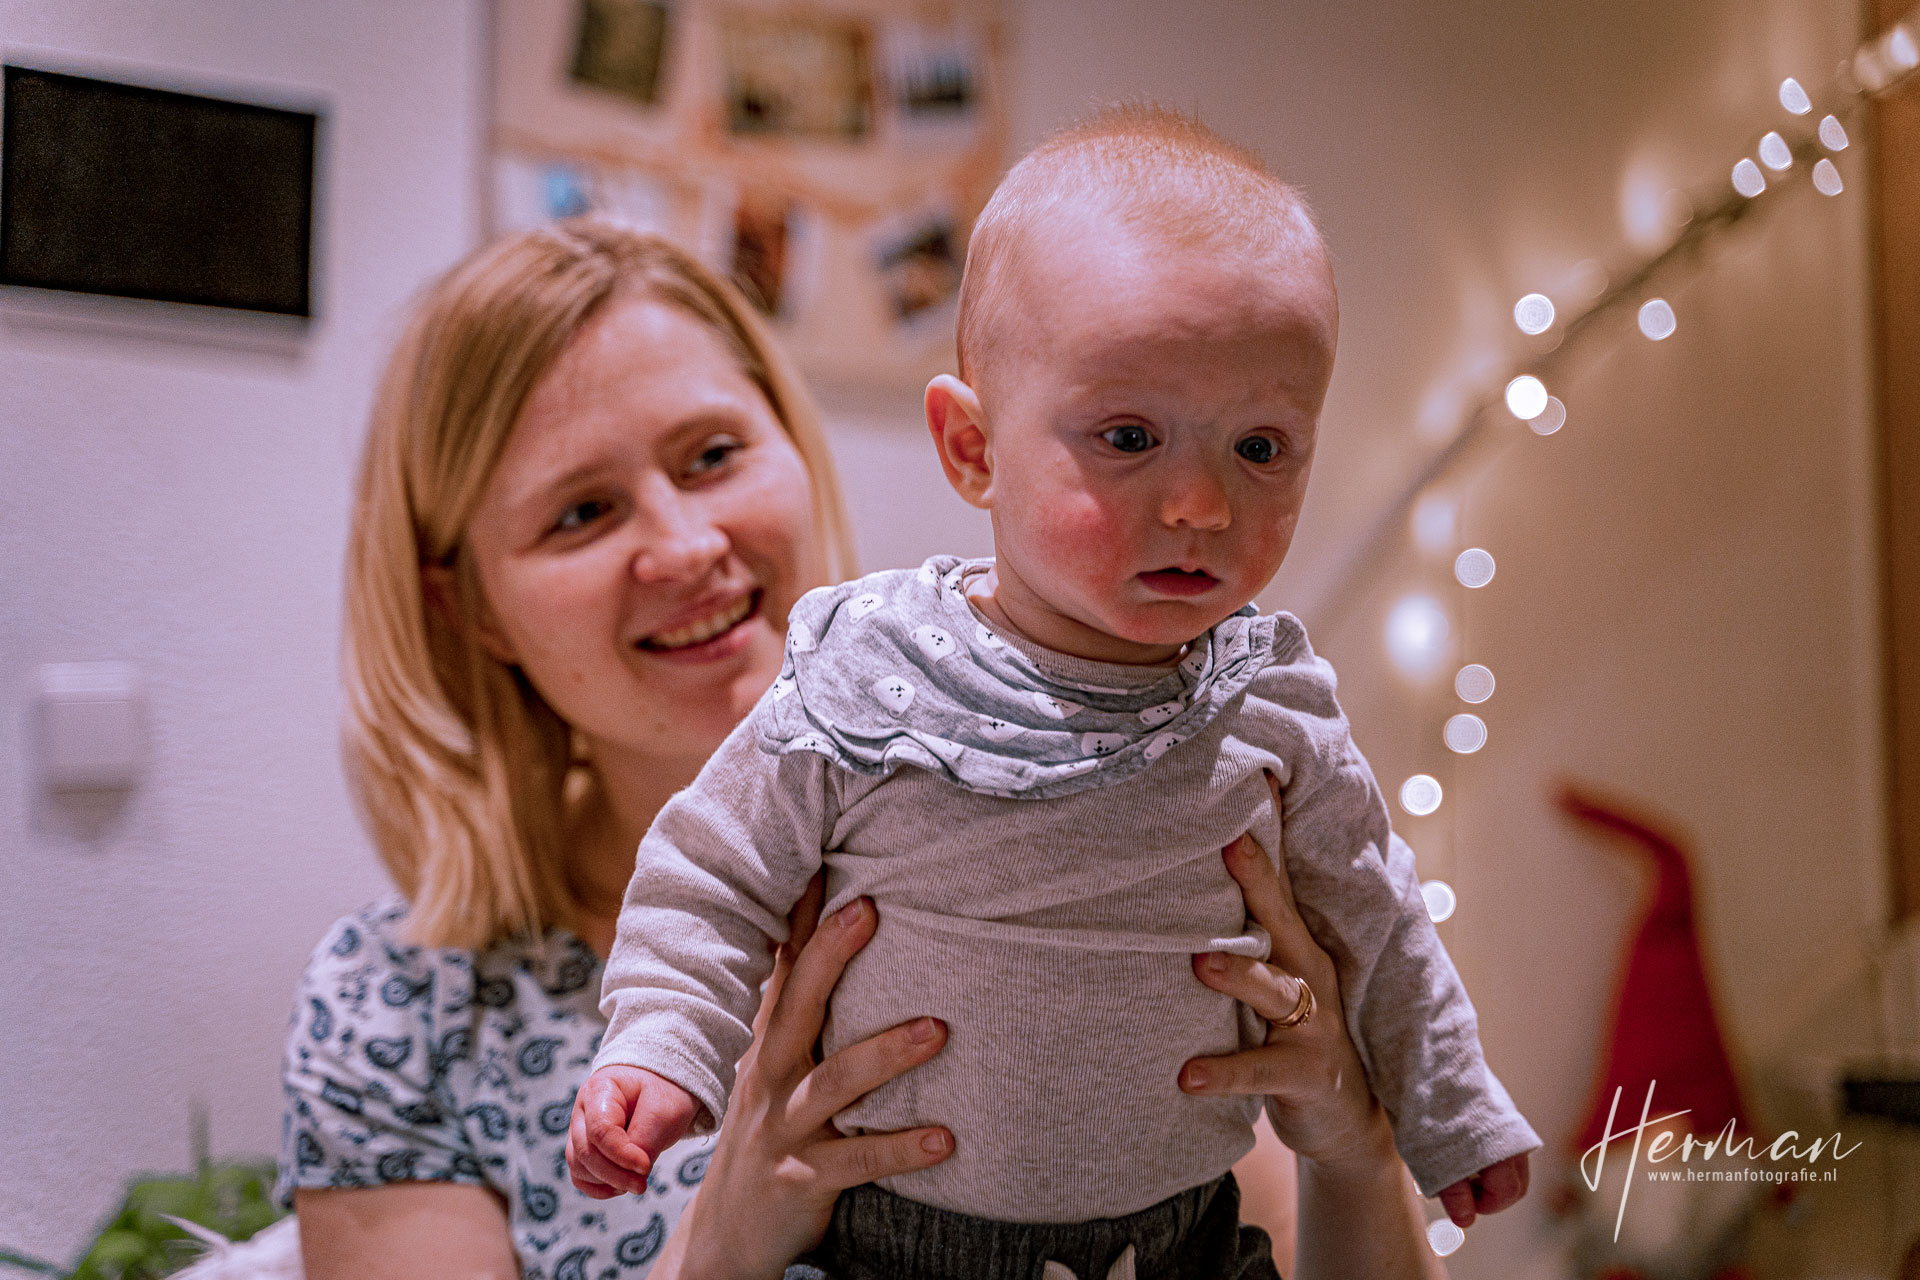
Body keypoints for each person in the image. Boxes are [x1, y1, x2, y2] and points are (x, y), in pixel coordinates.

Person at [279, 217, 1451, 1280]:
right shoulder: (399, 1019)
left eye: (712, 455)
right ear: (470, 609)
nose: (686, 543)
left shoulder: (1093, 825)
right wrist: (723, 1241)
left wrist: (1355, 1139)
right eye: (581, 512)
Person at [574, 108, 1538, 1277]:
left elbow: (1379, 923)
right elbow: (711, 874)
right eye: (1129, 435)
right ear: (974, 448)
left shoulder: (1270, 705)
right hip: (876, 1246)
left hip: (1180, 1244)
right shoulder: (874, 672)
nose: (1202, 503)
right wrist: (661, 1051)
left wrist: (1449, 1112)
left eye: (1263, 448)